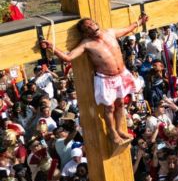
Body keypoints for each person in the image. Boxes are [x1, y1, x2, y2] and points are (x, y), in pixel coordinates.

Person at [40, 14, 148, 145]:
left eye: (92, 23)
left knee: (120, 103)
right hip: (106, 78)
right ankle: (112, 132)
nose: (92, 27)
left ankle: (119, 129)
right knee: (109, 108)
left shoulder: (110, 32)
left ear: (96, 23)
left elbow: (127, 29)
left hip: (121, 75)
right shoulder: (87, 44)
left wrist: (139, 22)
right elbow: (68, 58)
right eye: (87, 27)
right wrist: (52, 47)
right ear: (85, 33)